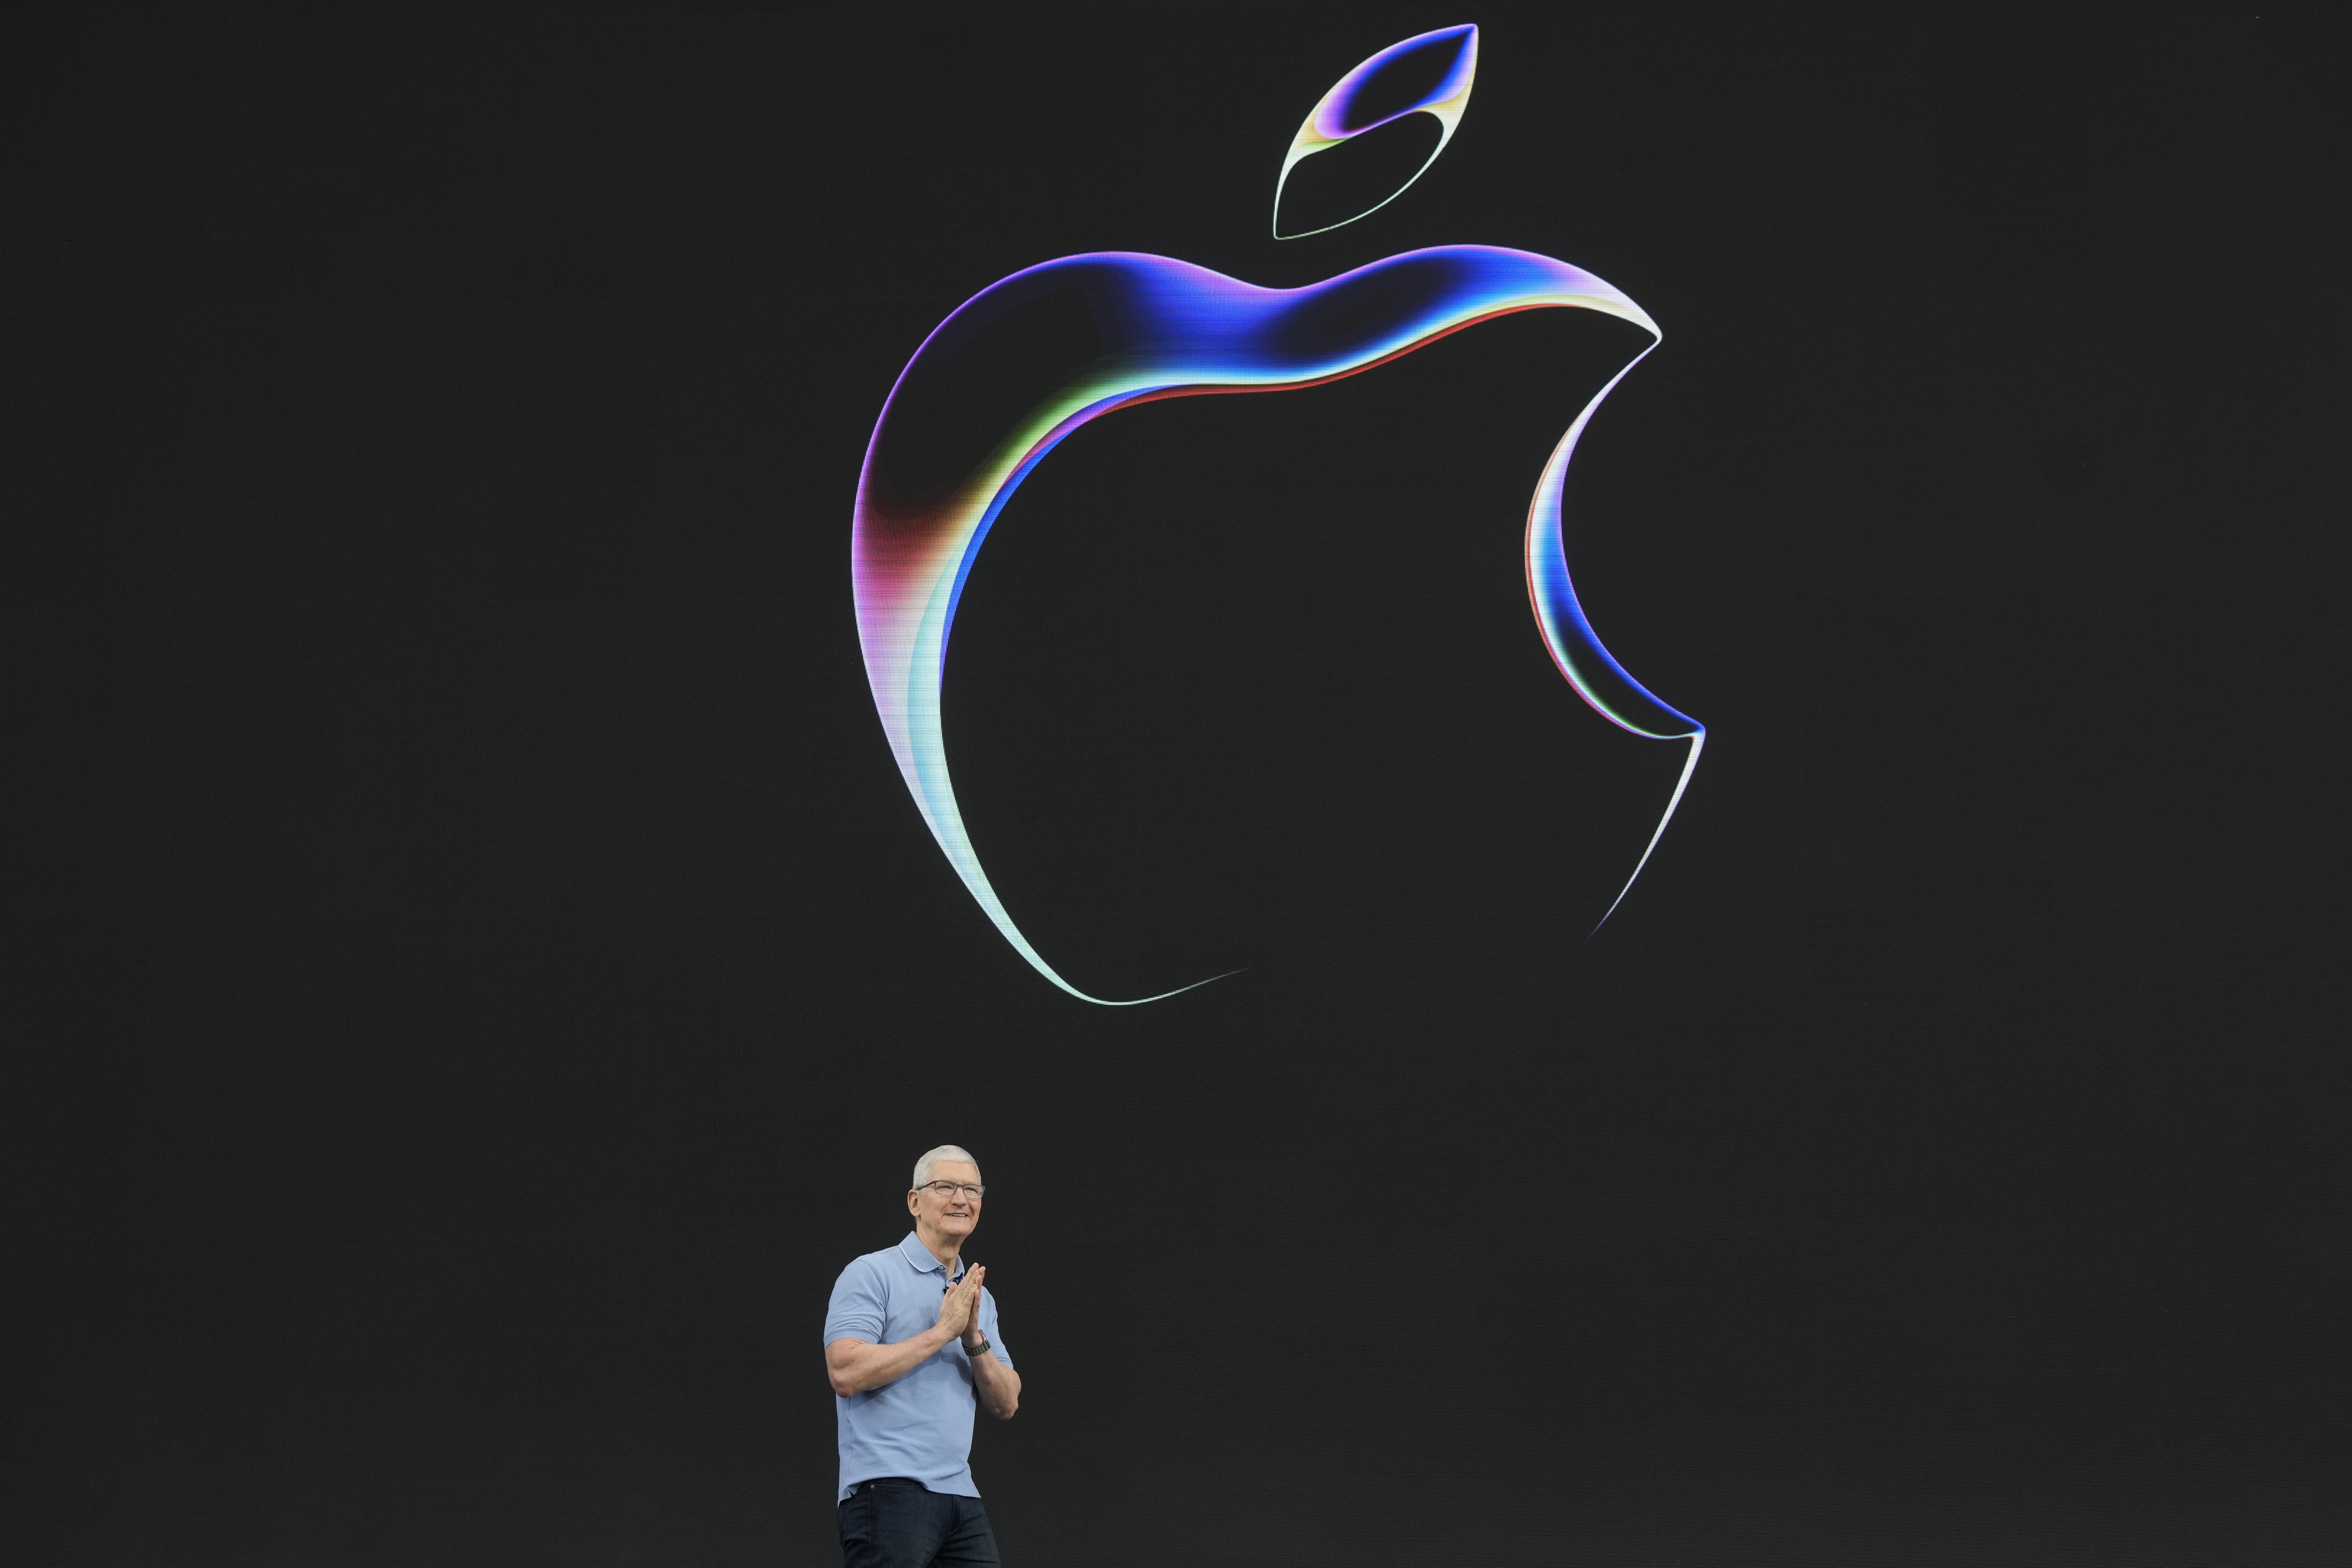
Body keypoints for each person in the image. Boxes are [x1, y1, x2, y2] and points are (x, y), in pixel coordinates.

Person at [824, 1144, 1022, 1568]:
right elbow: (845, 1371)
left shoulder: (979, 1298)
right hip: (887, 1490)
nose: (961, 1199)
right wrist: (943, 1332)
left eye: (972, 1190)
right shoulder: (872, 1273)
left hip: (961, 1496)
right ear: (915, 1201)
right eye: (945, 1187)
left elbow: (1007, 1402)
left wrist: (972, 1337)